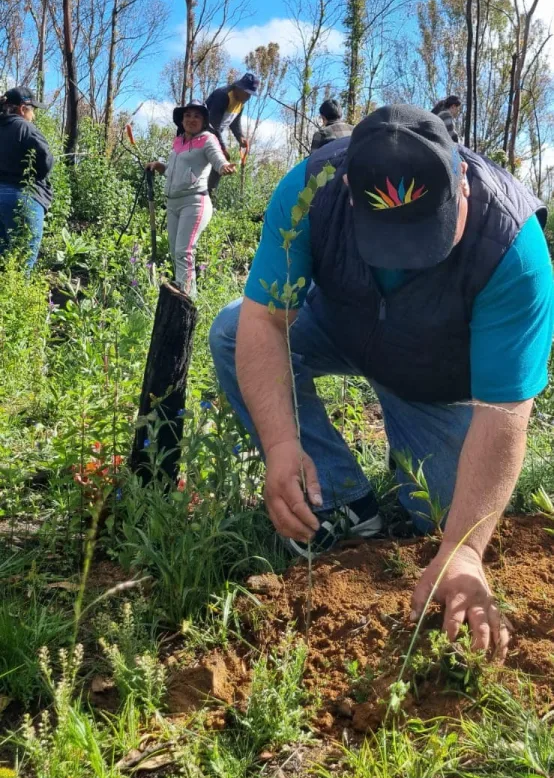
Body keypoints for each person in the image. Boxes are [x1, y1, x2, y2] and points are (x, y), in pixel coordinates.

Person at [210, 104, 553, 658]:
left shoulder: (511, 245)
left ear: (462, 178)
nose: (412, 261)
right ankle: (343, 501)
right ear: (348, 190)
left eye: (428, 235)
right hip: (341, 323)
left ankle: (414, 465)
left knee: (443, 517)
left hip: (434, 376)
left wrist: (465, 550)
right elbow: (265, 321)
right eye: (392, 240)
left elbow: (504, 411)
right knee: (231, 330)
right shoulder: (309, 190)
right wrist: (278, 442)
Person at [147, 101, 235, 297]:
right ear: (181, 119)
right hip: (173, 204)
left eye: (197, 116)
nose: (191, 119)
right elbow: (174, 171)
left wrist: (224, 167)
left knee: (184, 252)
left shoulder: (207, 139)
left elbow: (218, 160)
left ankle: (187, 301)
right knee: (174, 250)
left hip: (194, 202)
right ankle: (181, 294)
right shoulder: (178, 141)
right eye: (187, 115)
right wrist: (160, 166)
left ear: (204, 120)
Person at [0, 86, 53, 270]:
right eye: (33, 110)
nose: (34, 116)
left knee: (3, 259)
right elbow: (45, 162)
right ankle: (18, 298)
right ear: (22, 108)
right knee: (23, 262)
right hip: (22, 199)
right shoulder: (25, 127)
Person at [205, 73, 259, 197]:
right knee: (221, 158)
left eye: (250, 94)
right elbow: (213, 125)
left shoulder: (241, 102)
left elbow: (234, 122)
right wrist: (223, 147)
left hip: (214, 134)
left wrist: (240, 136)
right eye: (246, 92)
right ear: (239, 87)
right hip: (201, 133)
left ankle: (210, 195)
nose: (247, 97)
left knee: (222, 160)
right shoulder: (222, 95)